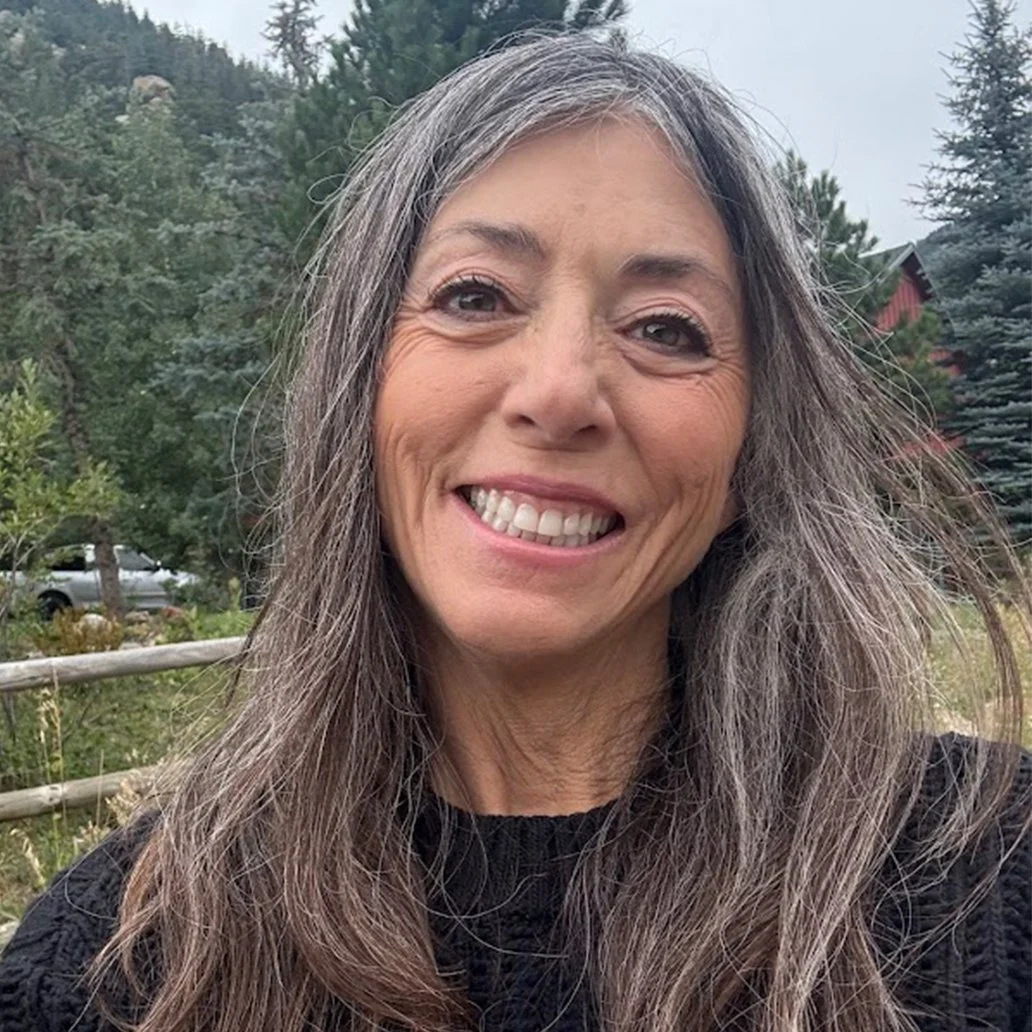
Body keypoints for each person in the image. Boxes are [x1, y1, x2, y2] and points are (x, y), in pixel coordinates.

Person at [0, 32, 1028, 1032]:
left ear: (755, 454)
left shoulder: (994, 875)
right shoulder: (111, 968)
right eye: (476, 295)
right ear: (359, 390)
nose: (559, 393)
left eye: (666, 326)